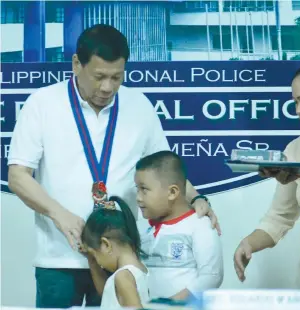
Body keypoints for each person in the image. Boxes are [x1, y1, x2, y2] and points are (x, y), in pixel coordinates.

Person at [7, 24, 219, 308]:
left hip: (121, 258)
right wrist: (60, 215)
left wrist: (197, 198)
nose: (107, 87)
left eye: (116, 77)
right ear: (76, 64)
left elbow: (165, 168)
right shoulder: (42, 104)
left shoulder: (139, 105)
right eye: (99, 77)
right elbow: (18, 176)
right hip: (59, 257)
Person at [233, 61, 300, 299]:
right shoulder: (296, 149)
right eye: (295, 103)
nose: (298, 110)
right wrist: (248, 244)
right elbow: (280, 217)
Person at [135, 151, 224, 301]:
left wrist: (170, 305)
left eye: (144, 189)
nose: (138, 198)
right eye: (137, 189)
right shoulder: (147, 233)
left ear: (172, 192)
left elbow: (212, 277)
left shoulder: (200, 225)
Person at [81, 196, 149, 309]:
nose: (99, 263)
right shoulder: (142, 268)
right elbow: (109, 296)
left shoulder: (122, 277)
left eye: (94, 255)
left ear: (106, 245)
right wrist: (91, 259)